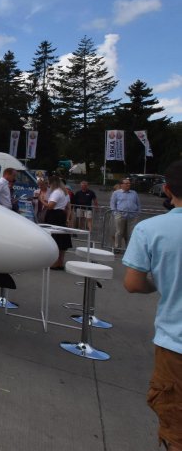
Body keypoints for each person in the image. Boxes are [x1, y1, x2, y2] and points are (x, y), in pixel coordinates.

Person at [122, 160, 182, 450]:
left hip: (175, 345)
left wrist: (159, 282)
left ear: (167, 189)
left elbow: (133, 284)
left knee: (176, 429)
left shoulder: (151, 229)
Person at [44, 174, 72, 269]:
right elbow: (68, 206)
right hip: (60, 215)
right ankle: (60, 262)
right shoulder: (64, 192)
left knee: (55, 239)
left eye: (49, 183)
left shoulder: (56, 192)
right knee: (61, 240)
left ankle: (55, 262)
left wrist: (41, 201)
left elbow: (51, 205)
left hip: (54, 215)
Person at [111, 177, 141, 251]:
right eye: (126, 183)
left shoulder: (134, 193)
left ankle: (129, 249)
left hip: (132, 216)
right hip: (120, 215)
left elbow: (138, 204)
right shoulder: (116, 193)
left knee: (130, 233)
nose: (128, 184)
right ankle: (117, 248)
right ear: (121, 185)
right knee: (119, 232)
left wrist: (138, 213)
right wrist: (115, 213)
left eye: (129, 183)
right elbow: (112, 204)